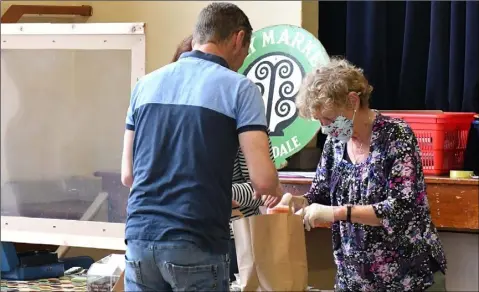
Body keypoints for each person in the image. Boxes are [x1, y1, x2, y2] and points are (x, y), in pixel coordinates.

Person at [120, 3, 282, 291]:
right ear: (237, 38)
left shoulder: (144, 85)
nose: (244, 58)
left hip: (139, 238)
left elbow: (128, 176)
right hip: (196, 239)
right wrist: (278, 195)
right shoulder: (240, 88)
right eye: (247, 49)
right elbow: (264, 180)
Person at [278, 58, 447, 291]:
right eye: (320, 122)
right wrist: (300, 201)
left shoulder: (396, 136)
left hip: (408, 279)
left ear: (353, 101)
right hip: (353, 281)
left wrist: (335, 213)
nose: (325, 128)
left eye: (328, 119)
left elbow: (401, 208)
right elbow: (321, 193)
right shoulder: (335, 144)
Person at [171, 34, 281, 282]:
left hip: (231, 238)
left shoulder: (238, 115)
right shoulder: (176, 121)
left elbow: (264, 188)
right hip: (180, 235)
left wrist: (212, 194)